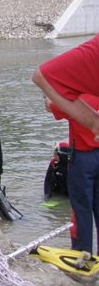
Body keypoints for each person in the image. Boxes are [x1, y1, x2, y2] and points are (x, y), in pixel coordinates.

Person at [33, 35, 99, 254]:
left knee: (80, 209)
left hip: (82, 157)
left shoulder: (76, 100)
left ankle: (82, 253)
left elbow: (50, 104)